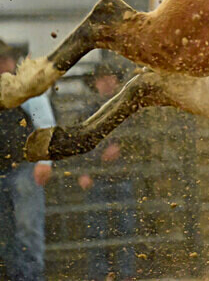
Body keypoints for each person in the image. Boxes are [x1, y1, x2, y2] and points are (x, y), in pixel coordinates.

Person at [0, 39, 56, 281]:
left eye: (5, 59)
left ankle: (29, 277)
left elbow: (44, 123)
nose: (4, 63)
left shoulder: (22, 87)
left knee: (26, 228)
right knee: (8, 231)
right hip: (10, 168)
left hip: (23, 166)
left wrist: (45, 161)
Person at [78, 62, 136, 281]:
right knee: (97, 230)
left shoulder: (126, 108)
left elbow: (139, 139)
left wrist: (121, 146)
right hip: (97, 177)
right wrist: (85, 170)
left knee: (125, 227)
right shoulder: (88, 111)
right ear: (95, 84)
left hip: (121, 174)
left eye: (110, 78)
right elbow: (79, 144)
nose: (106, 82)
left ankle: (125, 273)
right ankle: (99, 274)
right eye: (102, 79)